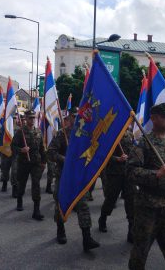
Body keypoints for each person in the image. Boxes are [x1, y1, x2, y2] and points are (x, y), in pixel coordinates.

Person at [128, 103, 165, 270]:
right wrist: (156, 174)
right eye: (164, 116)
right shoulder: (143, 143)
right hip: (148, 206)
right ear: (154, 118)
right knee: (141, 251)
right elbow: (131, 172)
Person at [47, 108, 100, 252]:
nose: (77, 119)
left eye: (78, 117)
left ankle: (86, 238)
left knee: (83, 206)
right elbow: (50, 153)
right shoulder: (62, 134)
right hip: (63, 176)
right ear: (69, 119)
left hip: (78, 177)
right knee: (60, 204)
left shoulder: (85, 135)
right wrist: (65, 159)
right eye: (74, 117)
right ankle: (60, 229)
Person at [98, 129, 135, 243]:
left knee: (131, 201)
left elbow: (133, 151)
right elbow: (103, 154)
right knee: (111, 199)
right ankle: (103, 218)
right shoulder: (110, 134)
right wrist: (117, 159)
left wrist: (131, 157)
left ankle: (131, 231)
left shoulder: (130, 135)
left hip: (128, 173)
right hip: (114, 173)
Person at [11, 110, 46, 220]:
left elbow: (42, 148)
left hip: (36, 163)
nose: (32, 120)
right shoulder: (20, 132)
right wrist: (21, 149)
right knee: (22, 184)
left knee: (36, 184)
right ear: (25, 118)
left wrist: (44, 161)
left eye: (33, 118)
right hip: (24, 163)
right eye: (30, 118)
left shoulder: (39, 132)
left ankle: (36, 210)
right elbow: (13, 146)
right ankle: (19, 199)